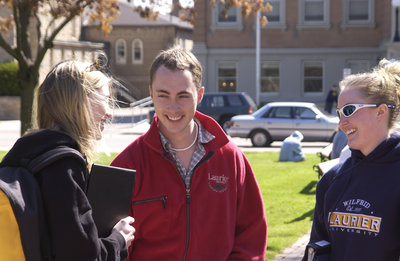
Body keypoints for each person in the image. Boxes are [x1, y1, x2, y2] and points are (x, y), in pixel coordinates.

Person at [111, 47, 267, 260]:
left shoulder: (230, 158)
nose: (173, 107)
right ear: (151, 94)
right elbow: (112, 248)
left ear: (200, 95)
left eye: (183, 95)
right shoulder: (126, 166)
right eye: (163, 95)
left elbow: (251, 236)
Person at [0, 58, 135, 260]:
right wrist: (119, 240)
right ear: (78, 99)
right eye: (105, 100)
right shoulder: (65, 166)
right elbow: (82, 254)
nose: (109, 112)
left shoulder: (22, 155)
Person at [305, 58, 400, 260]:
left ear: (380, 112)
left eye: (349, 110)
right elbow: (318, 249)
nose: (342, 123)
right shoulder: (332, 180)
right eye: (339, 113)